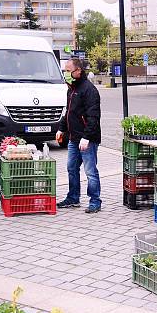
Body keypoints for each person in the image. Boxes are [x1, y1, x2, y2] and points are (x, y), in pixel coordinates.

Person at [55, 57, 102, 213]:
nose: (66, 74)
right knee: (71, 168)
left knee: (90, 171)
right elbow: (68, 112)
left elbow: (93, 117)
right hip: (74, 138)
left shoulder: (89, 90)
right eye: (65, 71)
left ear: (78, 71)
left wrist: (87, 137)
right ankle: (73, 197)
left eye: (68, 71)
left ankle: (95, 201)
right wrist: (61, 129)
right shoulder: (72, 88)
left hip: (87, 140)